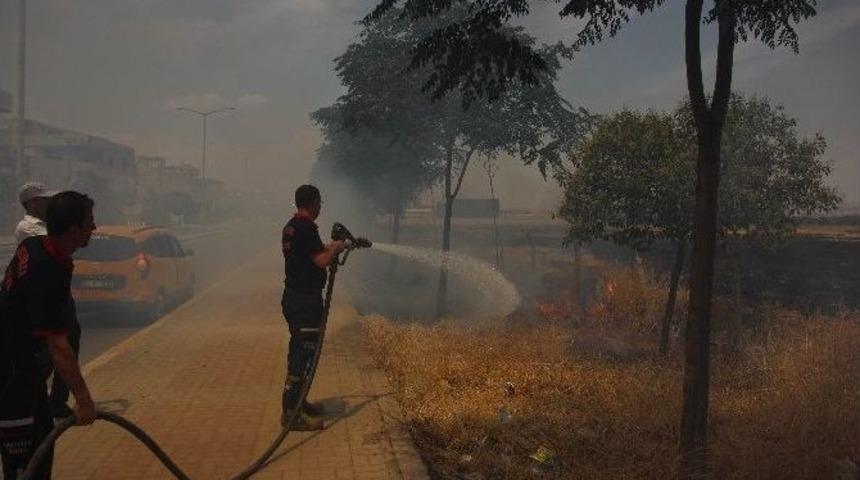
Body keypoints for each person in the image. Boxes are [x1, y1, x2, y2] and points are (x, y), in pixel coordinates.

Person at [0, 191, 97, 479]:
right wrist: (83, 399)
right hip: (10, 375)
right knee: (24, 465)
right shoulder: (49, 270)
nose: (94, 227)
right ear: (73, 230)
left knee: (40, 446)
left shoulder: (35, 245)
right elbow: (58, 346)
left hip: (23, 368)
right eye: (90, 222)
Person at [280, 185, 347, 431]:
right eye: (320, 202)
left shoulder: (292, 226)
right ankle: (291, 415)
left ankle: (298, 404)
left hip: (294, 298)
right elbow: (320, 260)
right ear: (313, 202)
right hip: (305, 300)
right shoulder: (307, 228)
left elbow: (312, 253)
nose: (321, 207)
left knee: (299, 350)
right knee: (303, 355)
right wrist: (336, 249)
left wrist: (336, 246)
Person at [13, 182, 81, 420]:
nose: (50, 204)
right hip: (41, 299)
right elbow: (57, 244)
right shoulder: (28, 228)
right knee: (52, 350)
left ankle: (56, 401)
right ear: (31, 203)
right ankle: (24, 395)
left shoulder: (45, 225)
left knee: (69, 342)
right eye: (45, 200)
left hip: (57, 295)